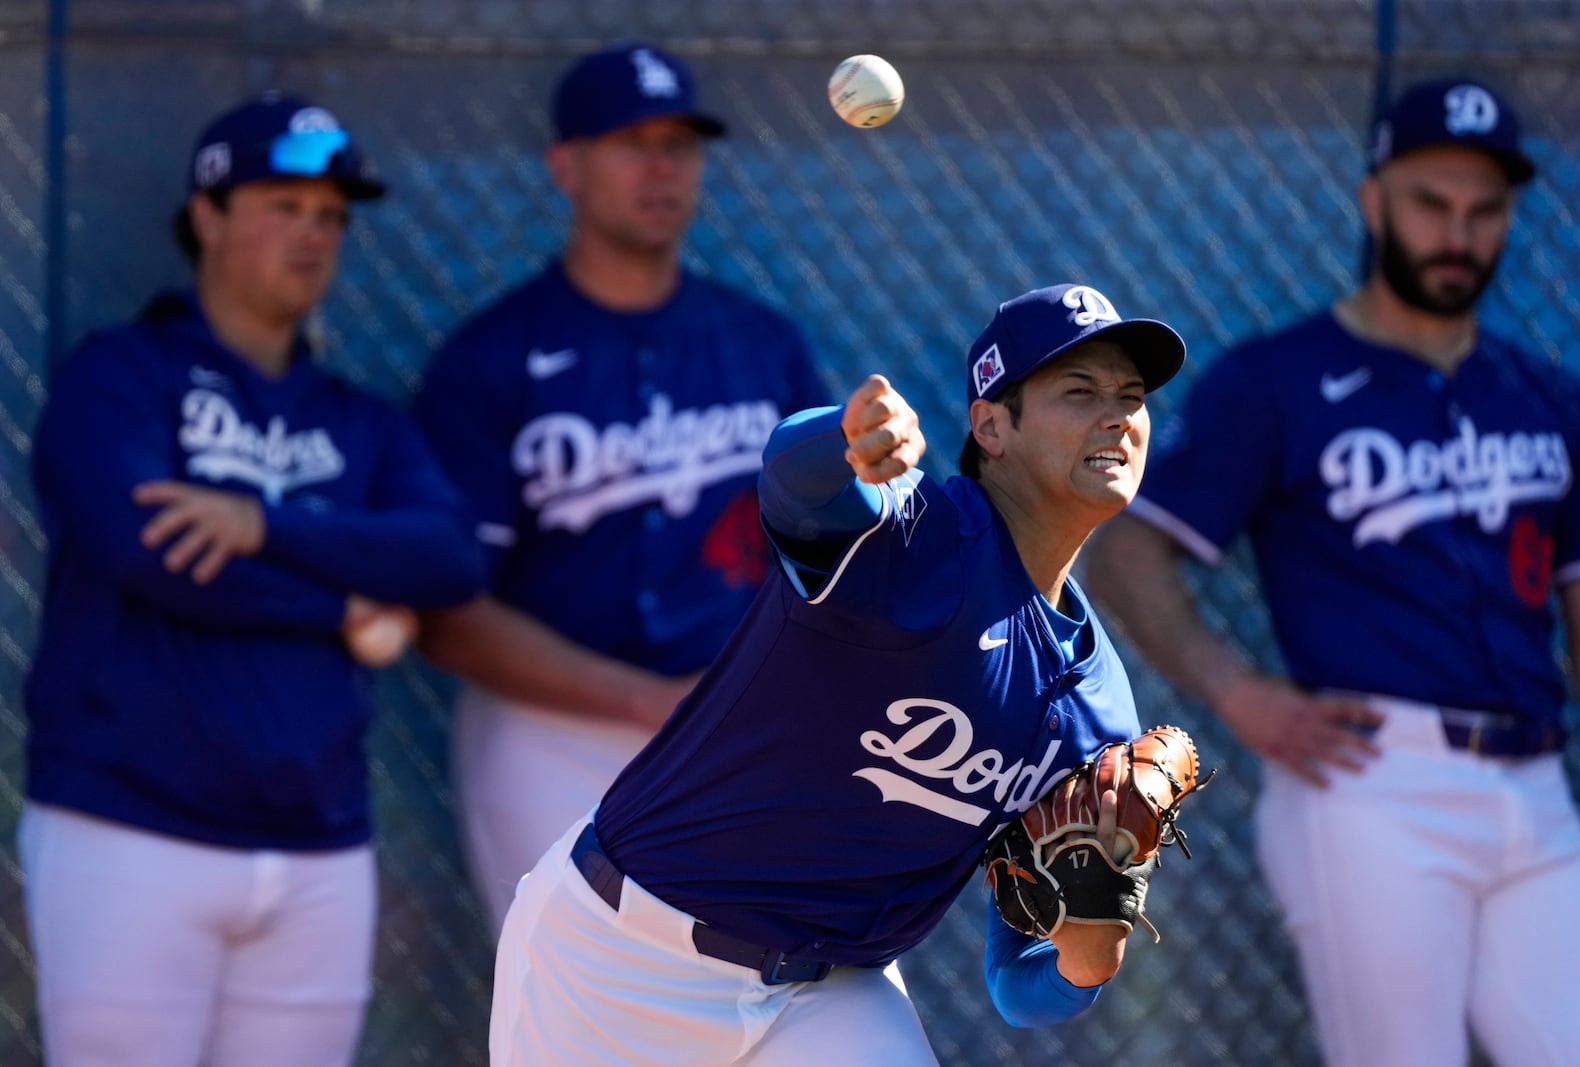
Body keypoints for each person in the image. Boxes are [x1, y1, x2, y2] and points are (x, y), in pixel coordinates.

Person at [486, 280, 1188, 1065]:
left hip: (830, 995)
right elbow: (795, 489)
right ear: (991, 424)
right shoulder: (919, 540)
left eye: (1132, 395)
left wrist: (1087, 956)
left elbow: (1017, 987)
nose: (1117, 415)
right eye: (1079, 390)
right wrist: (843, 440)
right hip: (618, 962)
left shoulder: (1098, 708)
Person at [1081, 78, 1580, 1067]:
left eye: (1483, 210)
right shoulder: (1277, 381)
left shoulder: (1547, 395)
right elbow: (1128, 545)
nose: (1457, 232)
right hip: (1371, 783)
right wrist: (1237, 690)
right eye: (1429, 202)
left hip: (1537, 791)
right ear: (1373, 200)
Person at [18, 91, 484, 1067]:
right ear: (208, 216)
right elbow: (152, 554)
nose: (312, 235)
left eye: (329, 216)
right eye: (283, 205)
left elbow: (447, 558)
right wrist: (341, 602)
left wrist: (263, 523)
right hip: (128, 824)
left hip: (319, 842)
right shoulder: (120, 377)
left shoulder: (358, 420)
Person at [412, 42, 832, 929]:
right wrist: (646, 701)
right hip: (549, 733)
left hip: (735, 728)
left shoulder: (763, 346)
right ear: (565, 165)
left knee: (774, 1004)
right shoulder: (490, 360)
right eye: (629, 141)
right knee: (567, 1018)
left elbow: (827, 557)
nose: (661, 167)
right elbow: (448, 614)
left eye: (680, 143)